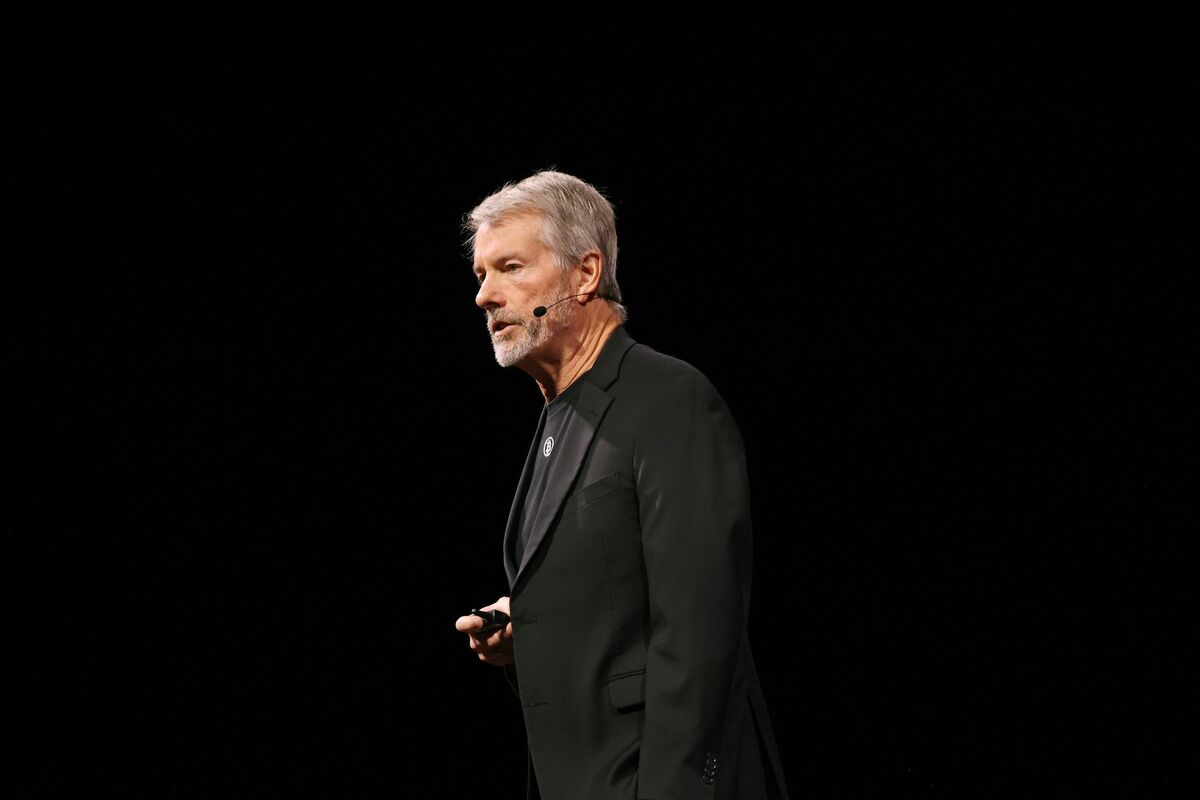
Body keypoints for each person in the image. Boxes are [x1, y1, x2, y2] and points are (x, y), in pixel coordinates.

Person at [453, 170, 789, 799]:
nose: (484, 296)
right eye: (480, 274)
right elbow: (615, 593)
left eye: (510, 268)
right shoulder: (562, 414)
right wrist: (531, 624)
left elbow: (698, 634)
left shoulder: (669, 400)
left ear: (585, 273)